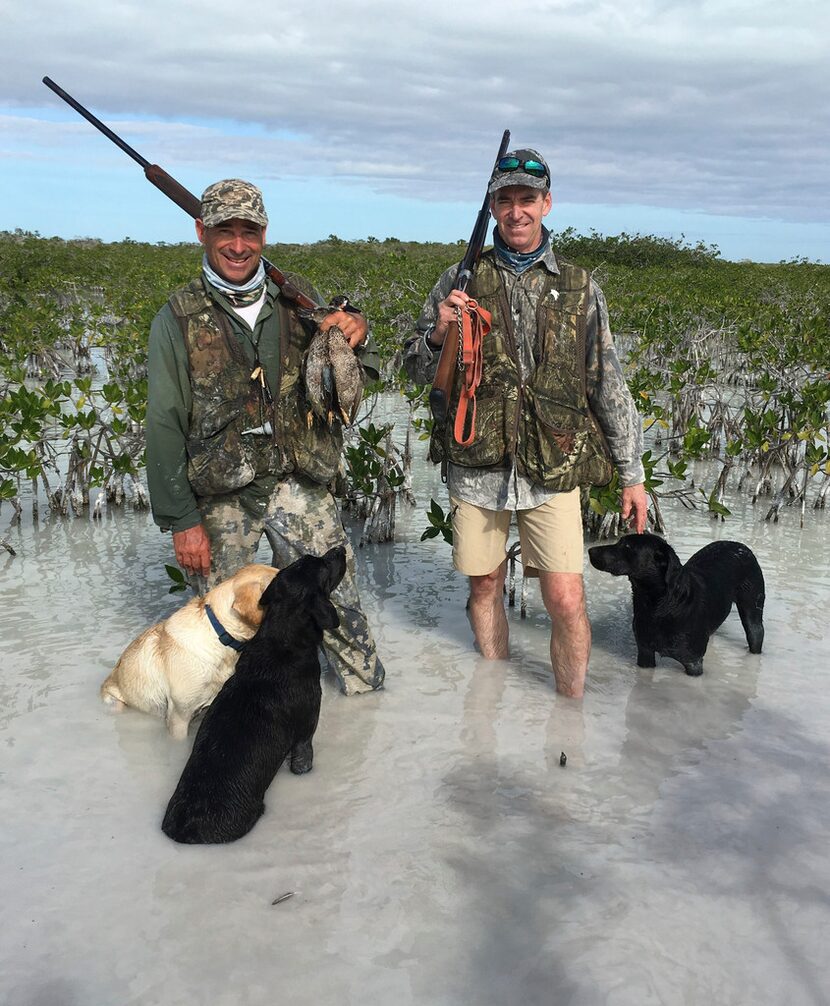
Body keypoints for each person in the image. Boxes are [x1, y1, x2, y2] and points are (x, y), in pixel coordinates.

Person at [404, 148, 647, 699]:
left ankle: (571, 713)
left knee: (565, 598)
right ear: (492, 207)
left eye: (528, 200)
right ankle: (489, 705)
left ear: (547, 204)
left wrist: (632, 473)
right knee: (485, 585)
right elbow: (415, 368)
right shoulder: (457, 279)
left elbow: (606, 381)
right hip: (477, 462)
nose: (517, 212)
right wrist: (437, 335)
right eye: (506, 200)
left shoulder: (581, 286)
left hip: (554, 464)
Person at [146, 178, 384, 695]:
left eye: (248, 231)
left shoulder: (296, 297)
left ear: (264, 234)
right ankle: (226, 727)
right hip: (223, 493)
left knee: (339, 606)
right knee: (222, 632)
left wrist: (357, 333)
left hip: (300, 478)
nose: (237, 244)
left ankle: (368, 717)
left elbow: (354, 369)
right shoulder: (177, 316)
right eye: (223, 230)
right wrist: (182, 520)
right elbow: (163, 421)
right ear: (200, 232)